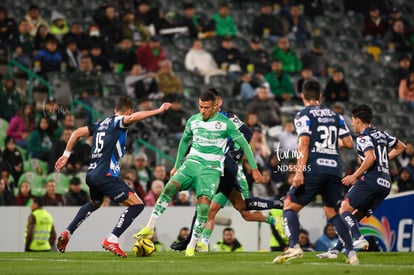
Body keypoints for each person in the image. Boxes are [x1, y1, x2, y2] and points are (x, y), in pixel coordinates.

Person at [133, 90, 263, 257]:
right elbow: (185, 140)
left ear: (215, 107)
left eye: (206, 107)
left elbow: (244, 144)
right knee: (168, 188)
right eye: (200, 106)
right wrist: (176, 165)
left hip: (211, 169)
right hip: (191, 164)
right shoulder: (193, 120)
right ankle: (149, 228)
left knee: (203, 206)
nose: (202, 110)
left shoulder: (226, 123)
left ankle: (192, 246)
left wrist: (254, 169)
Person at [54, 96, 171, 257]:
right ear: (128, 110)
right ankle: (112, 238)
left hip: (92, 174)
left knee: (95, 203)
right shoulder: (118, 121)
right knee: (137, 205)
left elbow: (76, 133)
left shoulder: (100, 124)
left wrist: (66, 155)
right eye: (130, 113)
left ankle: (68, 232)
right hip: (106, 175)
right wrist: (158, 110)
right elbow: (133, 118)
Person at [169, 89, 282, 252]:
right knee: (217, 208)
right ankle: (201, 244)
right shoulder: (202, 120)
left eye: (212, 103)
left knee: (240, 210)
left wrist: (235, 156)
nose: (204, 109)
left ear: (218, 102)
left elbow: (247, 133)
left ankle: (276, 208)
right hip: (214, 168)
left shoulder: (228, 118)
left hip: (228, 170)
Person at [272, 79, 357, 265]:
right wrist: (329, 145)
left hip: (314, 168)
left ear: (302, 95)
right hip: (334, 170)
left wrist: (299, 172)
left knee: (289, 206)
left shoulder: (303, 115)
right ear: (320, 96)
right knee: (332, 211)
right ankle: (351, 253)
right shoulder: (336, 115)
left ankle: (294, 246)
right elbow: (349, 143)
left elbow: (304, 143)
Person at [317, 104, 406, 259]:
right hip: (385, 182)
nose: (352, 124)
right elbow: (401, 147)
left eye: (352, 120)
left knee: (344, 209)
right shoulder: (381, 134)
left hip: (371, 179)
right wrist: (383, 160)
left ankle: (358, 239)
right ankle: (335, 250)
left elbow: (370, 158)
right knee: (354, 216)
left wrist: (355, 175)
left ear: (358, 120)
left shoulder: (363, 137)